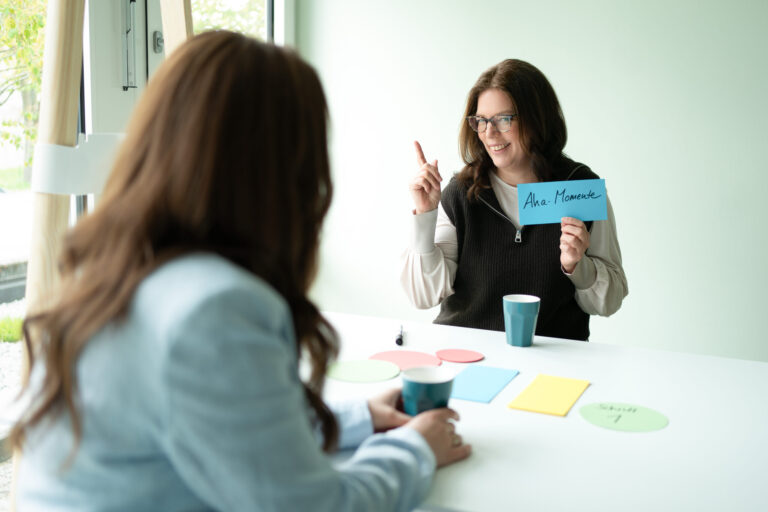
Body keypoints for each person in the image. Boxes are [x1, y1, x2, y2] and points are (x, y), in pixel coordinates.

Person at [10, 31, 470, 511]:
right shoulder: (214, 308)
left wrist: (357, 419)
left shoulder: (117, 270)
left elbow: (227, 429)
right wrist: (415, 448)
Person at [401, 59, 628, 340]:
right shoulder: (460, 193)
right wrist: (425, 215)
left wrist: (578, 267)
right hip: (468, 354)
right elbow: (423, 296)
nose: (489, 133)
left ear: (537, 119)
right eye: (481, 121)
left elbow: (609, 303)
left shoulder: (581, 188)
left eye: (503, 119)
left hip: (556, 361)